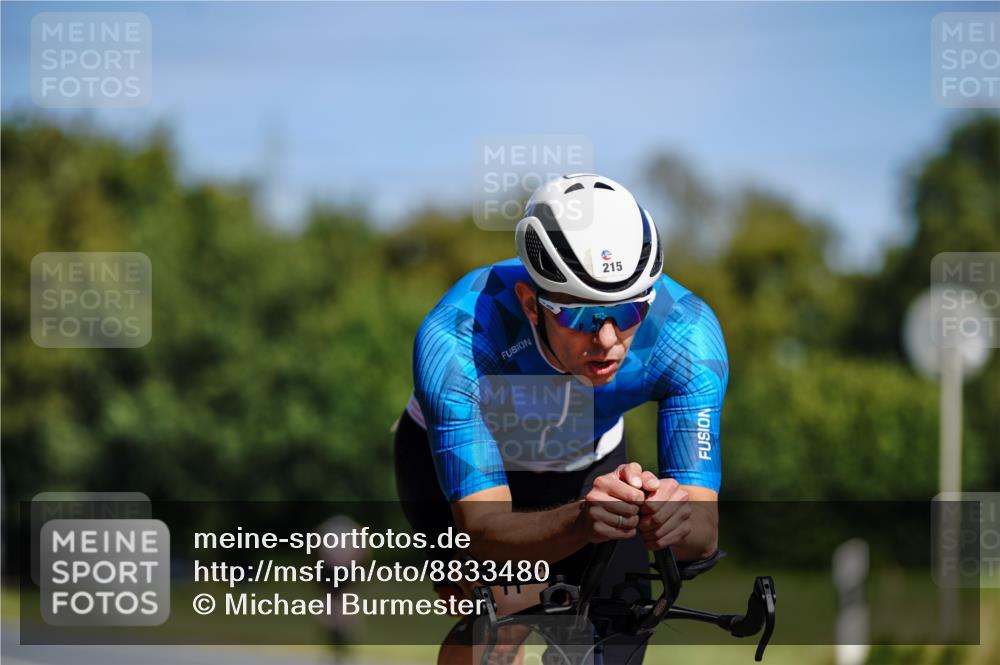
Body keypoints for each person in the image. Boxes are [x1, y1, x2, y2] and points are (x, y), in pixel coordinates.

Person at [393, 174, 728, 665]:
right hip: (470, 474)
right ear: (532, 304)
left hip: (586, 460)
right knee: (500, 624)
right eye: (581, 318)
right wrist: (580, 521)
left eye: (631, 311)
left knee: (618, 630)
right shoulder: (460, 336)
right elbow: (484, 533)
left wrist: (672, 516)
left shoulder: (687, 335)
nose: (609, 340)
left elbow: (704, 536)